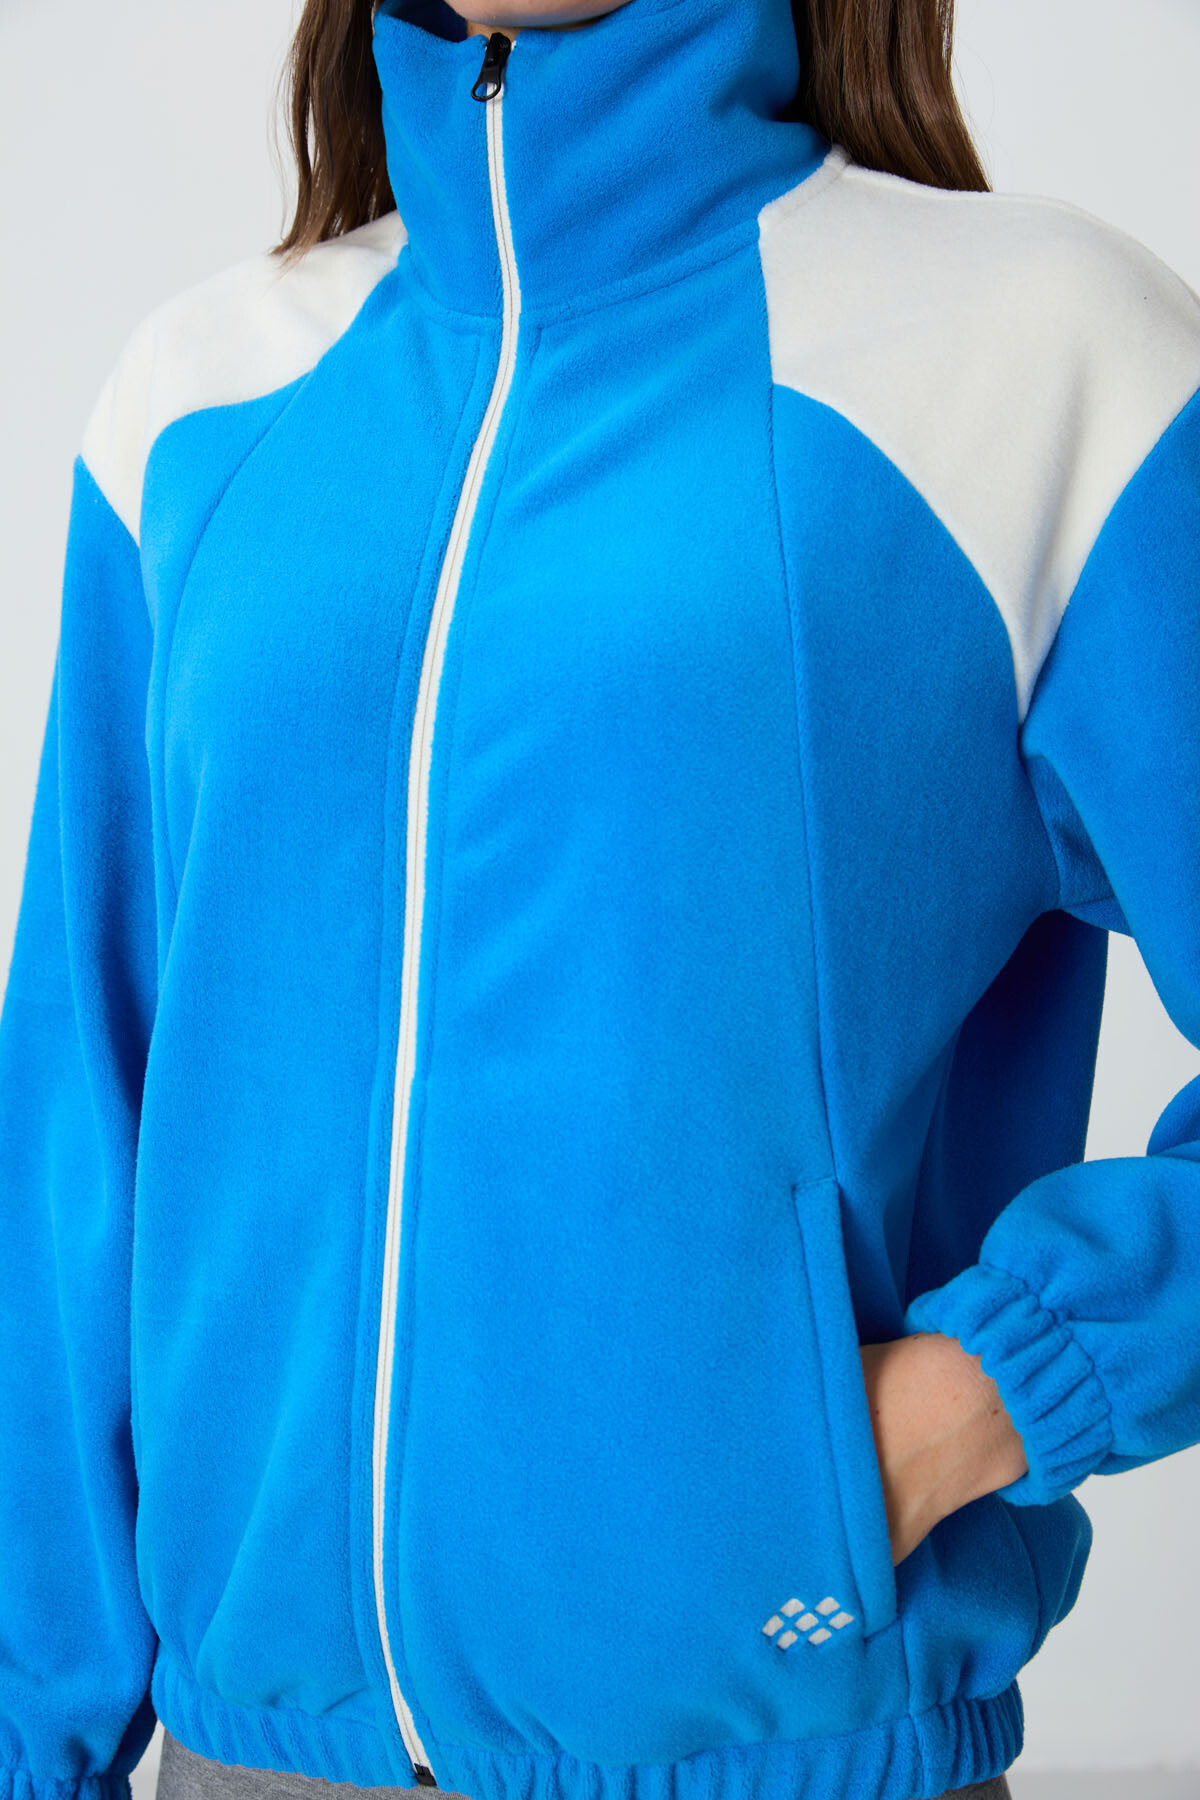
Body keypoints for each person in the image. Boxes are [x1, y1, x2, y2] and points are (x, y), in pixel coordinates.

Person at [4, 0, 1200, 1796]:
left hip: (783, 1748)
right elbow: (75, 1123)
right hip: (255, 1761)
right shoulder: (202, 402)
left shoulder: (1038, 366)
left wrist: (991, 1391)